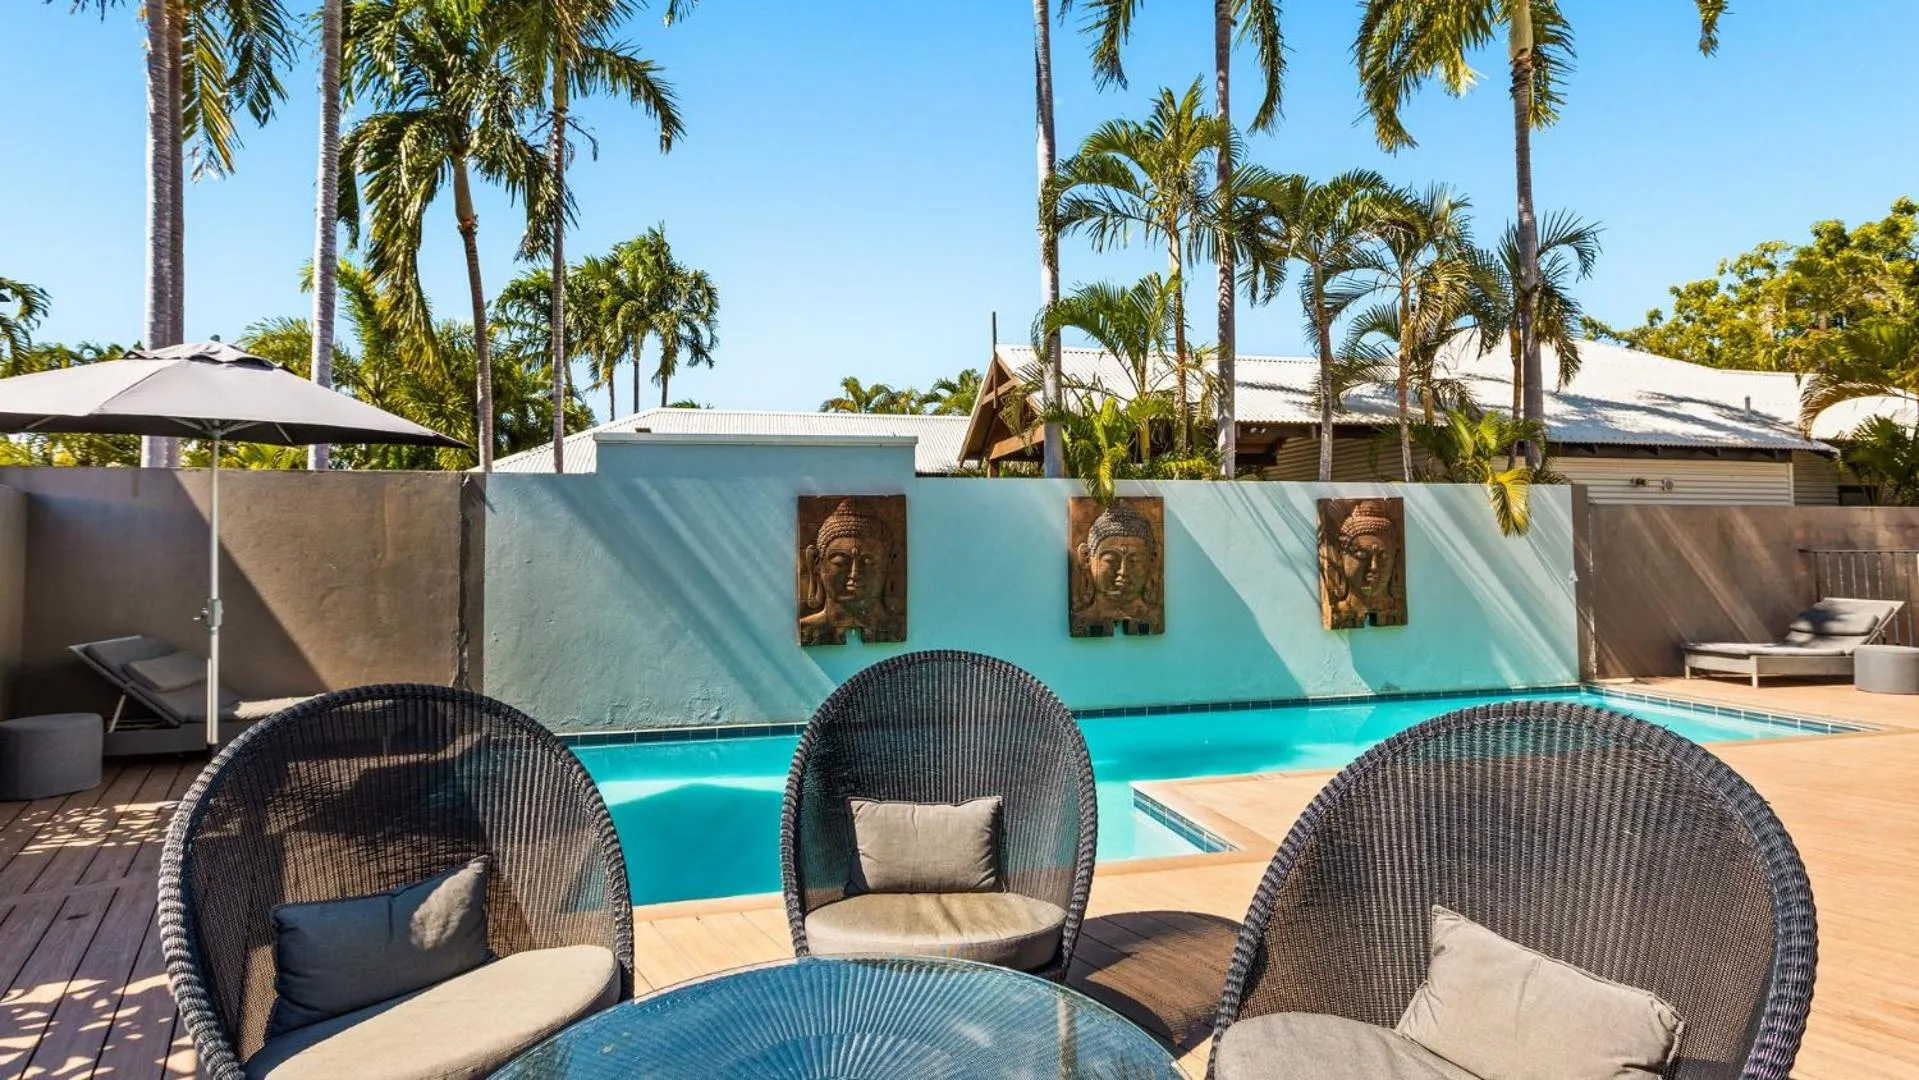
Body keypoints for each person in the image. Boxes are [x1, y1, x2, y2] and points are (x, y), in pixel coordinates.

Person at [799, 499, 903, 645]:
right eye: (840, 562)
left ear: (889, 564)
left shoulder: (896, 630)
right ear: (815, 561)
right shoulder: (805, 631)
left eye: (868, 562)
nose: (854, 573)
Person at [1071, 500, 1162, 636]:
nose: (1123, 572)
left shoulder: (1155, 619)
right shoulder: (1080, 620)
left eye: (1134, 561)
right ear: (1086, 557)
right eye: (1111, 561)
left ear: (1153, 558)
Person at [1323, 498, 1404, 628]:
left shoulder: (1394, 611)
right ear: (1340, 557)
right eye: (1361, 554)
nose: (1373, 567)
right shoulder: (1341, 612)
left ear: (1395, 558)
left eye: (1383, 556)